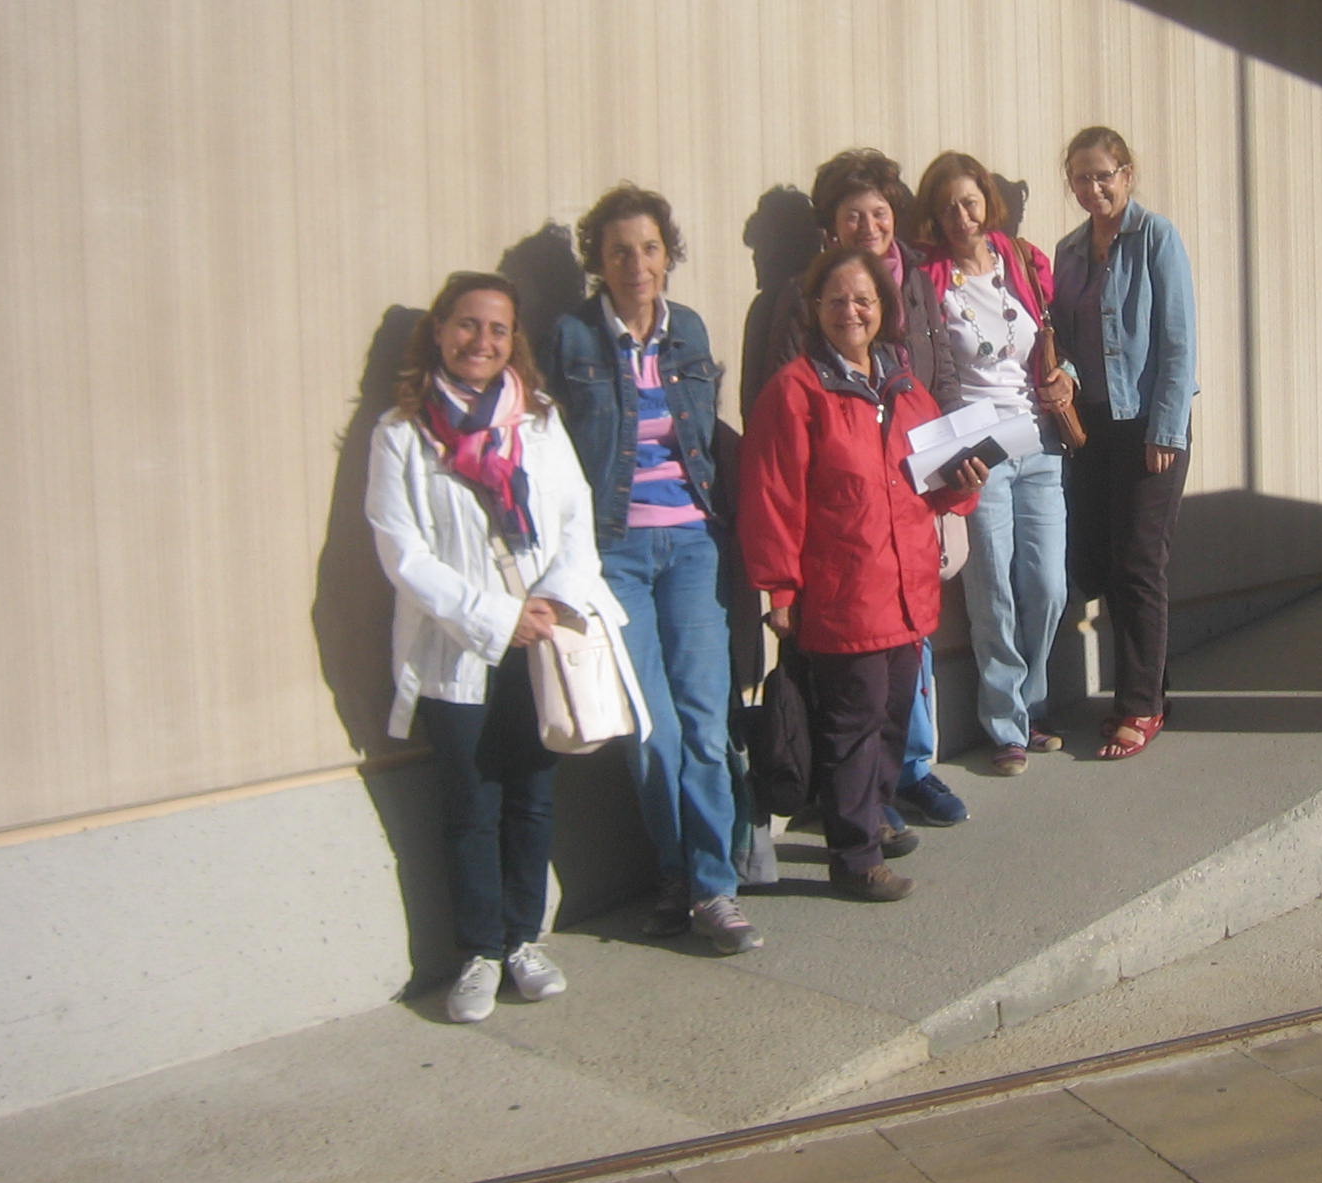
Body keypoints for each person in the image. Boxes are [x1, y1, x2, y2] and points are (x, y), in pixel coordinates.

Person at [366, 271, 644, 1022]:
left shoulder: (540, 422)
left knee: (531, 796)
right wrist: (496, 617)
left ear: (512, 340)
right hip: (457, 651)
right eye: (467, 324)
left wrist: (547, 602)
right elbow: (404, 554)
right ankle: (479, 953)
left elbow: (576, 519)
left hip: (539, 642)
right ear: (439, 331)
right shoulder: (401, 434)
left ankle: (524, 939)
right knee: (470, 804)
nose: (480, 341)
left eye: (496, 329)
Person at [547, 185, 761, 955]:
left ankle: (713, 888)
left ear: (668, 255)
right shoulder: (572, 337)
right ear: (598, 263)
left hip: (694, 547)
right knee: (651, 729)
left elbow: (704, 440)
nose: (636, 264)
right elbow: (551, 451)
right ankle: (677, 874)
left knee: (704, 720)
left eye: (648, 248)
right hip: (616, 556)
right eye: (618, 252)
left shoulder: (689, 329)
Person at [741, 250, 983, 901]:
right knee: (853, 726)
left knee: (893, 718)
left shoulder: (905, 387)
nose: (851, 311)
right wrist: (780, 590)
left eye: (863, 300)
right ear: (816, 309)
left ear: (883, 308)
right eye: (837, 300)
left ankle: (870, 817)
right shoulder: (795, 391)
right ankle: (853, 857)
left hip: (907, 591)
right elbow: (772, 497)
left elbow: (935, 485)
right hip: (844, 593)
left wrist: (964, 484)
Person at [753, 149, 969, 828]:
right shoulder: (801, 308)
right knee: (856, 684)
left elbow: (943, 379)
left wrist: (955, 472)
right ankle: (858, 811)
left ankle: (905, 777)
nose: (869, 226)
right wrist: (781, 584)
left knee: (908, 657)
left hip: (915, 492)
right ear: (831, 226)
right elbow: (778, 443)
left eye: (879, 213)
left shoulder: (916, 285)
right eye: (854, 215)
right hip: (845, 520)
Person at [914, 151, 1073, 774]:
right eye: (948, 207)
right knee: (993, 591)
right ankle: (1007, 725)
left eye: (970, 201)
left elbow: (1059, 338)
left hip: (1039, 443)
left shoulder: (1022, 262)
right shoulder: (928, 279)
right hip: (978, 453)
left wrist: (1066, 377)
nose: (962, 215)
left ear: (987, 202)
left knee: (1049, 586)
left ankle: (1031, 705)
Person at [1050, 127, 1198, 760]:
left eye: (1103, 175)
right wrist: (1065, 375)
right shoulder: (1069, 251)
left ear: (1127, 174)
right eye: (1081, 178)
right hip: (1094, 428)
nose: (1094, 188)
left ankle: (1140, 705)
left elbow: (1179, 342)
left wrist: (1166, 429)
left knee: (1140, 562)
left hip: (1149, 425)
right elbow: (1068, 340)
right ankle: (1149, 688)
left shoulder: (1156, 236)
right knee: (1107, 562)